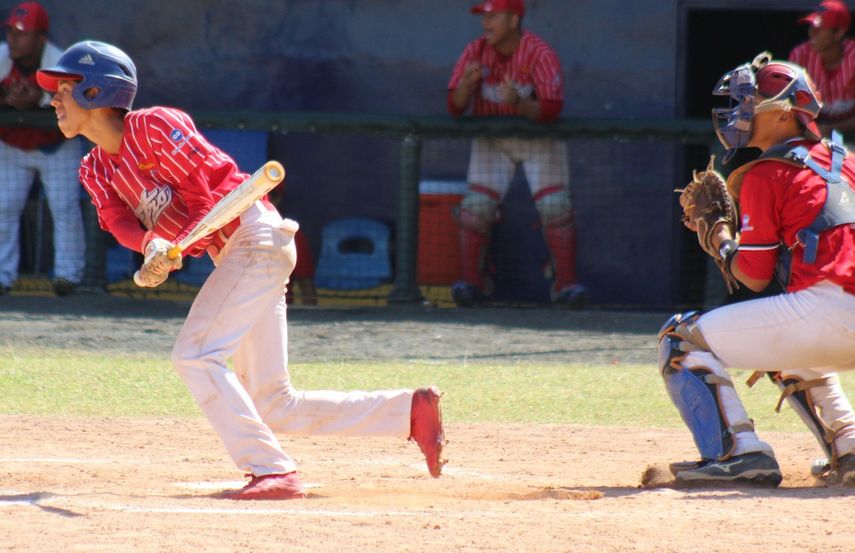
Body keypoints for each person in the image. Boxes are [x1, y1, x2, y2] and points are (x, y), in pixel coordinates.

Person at [37, 40, 446, 500]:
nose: (54, 99)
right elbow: (117, 220)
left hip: (254, 236)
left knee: (194, 354)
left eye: (65, 88)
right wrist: (152, 246)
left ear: (96, 92)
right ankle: (409, 411)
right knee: (274, 403)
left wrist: (176, 242)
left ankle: (272, 471)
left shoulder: (155, 126)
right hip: (234, 254)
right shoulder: (94, 168)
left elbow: (207, 189)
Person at [659, 52, 855, 487]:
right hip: (834, 310)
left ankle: (739, 453)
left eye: (750, 102)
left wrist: (720, 240)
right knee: (789, 339)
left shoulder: (767, 172)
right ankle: (850, 446)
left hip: (827, 311)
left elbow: (752, 274)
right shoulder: (849, 163)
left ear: (786, 113)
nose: (739, 112)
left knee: (680, 337)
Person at [446, 0, 586, 308]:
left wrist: (519, 103)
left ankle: (565, 285)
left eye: (493, 16)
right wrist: (466, 89)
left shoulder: (539, 52)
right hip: (492, 141)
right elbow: (453, 106)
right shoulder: (475, 51)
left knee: (556, 208)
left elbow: (551, 108)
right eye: (484, 16)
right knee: (474, 209)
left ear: (513, 19)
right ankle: (472, 282)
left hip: (538, 139)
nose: (486, 23)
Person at [0, 1, 84, 296]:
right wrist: (6, 100)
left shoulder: (59, 62)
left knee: (63, 209)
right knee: (3, 208)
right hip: (12, 145)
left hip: (56, 148)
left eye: (22, 34)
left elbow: (78, 112)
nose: (13, 39)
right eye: (10, 32)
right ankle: (1, 276)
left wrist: (37, 101)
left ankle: (67, 277)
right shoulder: (1, 57)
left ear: (40, 38)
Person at [788, 0, 855, 141]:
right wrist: (811, 128)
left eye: (819, 28)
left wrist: (832, 129)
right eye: (811, 26)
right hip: (811, 133)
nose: (812, 32)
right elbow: (790, 107)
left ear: (838, 33)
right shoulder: (800, 55)